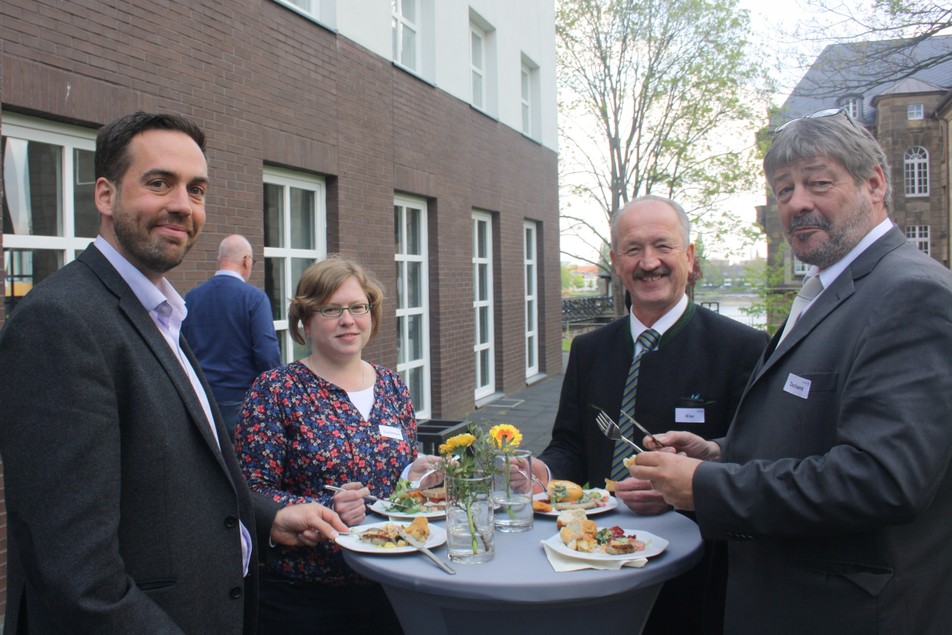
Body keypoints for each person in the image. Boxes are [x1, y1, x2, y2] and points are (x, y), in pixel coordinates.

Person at [0, 111, 348, 634]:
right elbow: (77, 577)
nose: (183, 205)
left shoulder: (162, 312)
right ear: (104, 195)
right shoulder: (60, 322)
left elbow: (169, 484)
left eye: (197, 189)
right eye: (159, 182)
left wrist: (265, 517)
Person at [631, 110, 952, 634]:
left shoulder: (909, 294)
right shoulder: (829, 289)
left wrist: (710, 486)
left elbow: (883, 479)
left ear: (874, 183)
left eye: (818, 183)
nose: (797, 202)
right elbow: (813, 432)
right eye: (783, 190)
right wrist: (719, 452)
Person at [533, 195, 768, 634]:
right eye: (633, 249)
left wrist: (684, 485)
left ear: (690, 256)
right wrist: (542, 469)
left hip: (693, 575)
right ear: (616, 261)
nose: (649, 263)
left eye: (663, 246)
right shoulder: (588, 350)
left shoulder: (743, 348)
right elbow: (570, 444)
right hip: (589, 559)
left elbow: (754, 462)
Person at [235, 254, 439, 635]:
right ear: (306, 321)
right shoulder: (276, 391)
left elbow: (397, 477)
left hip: (394, 585)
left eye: (358, 307)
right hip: (307, 600)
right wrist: (325, 508)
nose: (348, 320)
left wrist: (416, 477)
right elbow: (248, 491)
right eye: (331, 310)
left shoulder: (392, 385)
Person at [182, 233, 282, 436]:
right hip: (240, 400)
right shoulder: (254, 298)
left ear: (220, 260)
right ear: (246, 261)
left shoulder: (192, 297)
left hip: (202, 398)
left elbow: (182, 347)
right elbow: (267, 353)